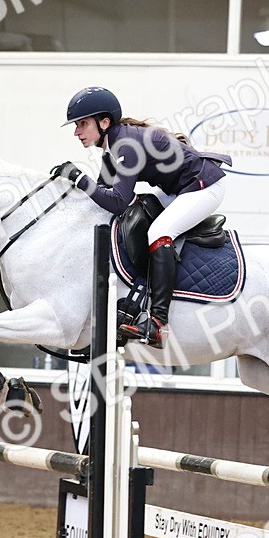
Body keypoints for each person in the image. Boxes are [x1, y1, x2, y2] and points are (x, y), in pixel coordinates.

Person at [51, 86, 230, 350]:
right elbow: (103, 196)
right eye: (76, 126)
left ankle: (158, 323)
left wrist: (79, 178)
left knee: (159, 232)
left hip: (204, 186)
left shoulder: (125, 145)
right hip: (178, 188)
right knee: (140, 214)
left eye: (82, 124)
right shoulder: (112, 147)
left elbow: (117, 200)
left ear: (104, 122)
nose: (77, 132)